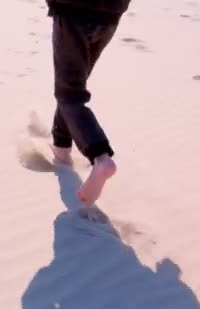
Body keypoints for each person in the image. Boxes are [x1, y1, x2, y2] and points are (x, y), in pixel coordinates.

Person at [46, 0, 131, 206]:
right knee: (73, 85)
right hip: (110, 15)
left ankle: (100, 156)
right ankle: (61, 148)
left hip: (73, 12)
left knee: (69, 93)